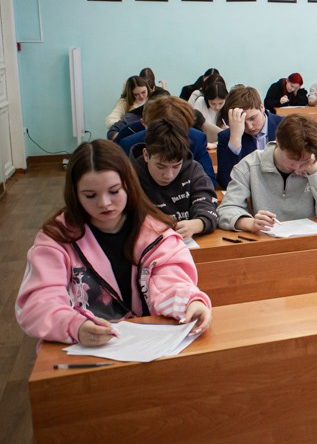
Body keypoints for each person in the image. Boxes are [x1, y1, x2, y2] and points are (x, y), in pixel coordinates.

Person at [14, 140, 211, 346]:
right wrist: (74, 326)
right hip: (81, 348)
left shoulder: (156, 234)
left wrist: (190, 303)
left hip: (145, 344)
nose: (104, 203)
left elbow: (170, 281)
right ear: (75, 194)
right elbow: (39, 301)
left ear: (129, 185)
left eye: (114, 191)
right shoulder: (57, 239)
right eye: (90, 195)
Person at [218, 115, 317, 232]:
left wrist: (314, 172)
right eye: (292, 159)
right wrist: (250, 223)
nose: (297, 167)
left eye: (304, 160)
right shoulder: (249, 165)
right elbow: (226, 210)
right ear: (278, 142)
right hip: (266, 239)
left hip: (311, 239)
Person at [130, 118, 218, 240]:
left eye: (176, 166)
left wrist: (198, 223)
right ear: (146, 155)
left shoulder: (193, 170)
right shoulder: (129, 176)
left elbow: (208, 206)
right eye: (161, 166)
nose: (169, 175)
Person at [115, 95, 217, 187]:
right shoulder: (128, 144)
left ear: (188, 127)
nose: (169, 137)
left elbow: (208, 182)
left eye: (178, 131)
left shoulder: (197, 139)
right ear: (144, 124)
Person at [216, 87, 283, 190]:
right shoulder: (226, 137)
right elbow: (226, 182)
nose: (249, 126)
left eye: (252, 118)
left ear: (261, 107)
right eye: (242, 122)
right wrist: (235, 139)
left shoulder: (284, 126)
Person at [188, 77, 228, 143]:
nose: (217, 107)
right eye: (213, 103)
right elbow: (196, 125)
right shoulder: (200, 101)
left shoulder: (228, 105)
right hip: (202, 141)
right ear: (207, 99)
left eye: (221, 103)